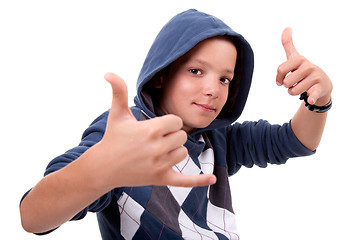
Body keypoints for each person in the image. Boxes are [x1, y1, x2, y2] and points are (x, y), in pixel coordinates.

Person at [20, 9, 332, 239]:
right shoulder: (127, 135)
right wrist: (101, 168)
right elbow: (33, 216)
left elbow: (297, 141)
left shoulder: (218, 140)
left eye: (225, 78)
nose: (214, 89)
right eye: (197, 71)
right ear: (161, 74)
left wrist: (318, 101)